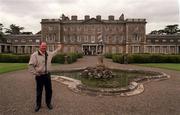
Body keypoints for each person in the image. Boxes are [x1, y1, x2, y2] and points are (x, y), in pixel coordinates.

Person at [28, 41, 63, 112]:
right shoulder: (35, 55)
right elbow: (30, 66)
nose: (44, 47)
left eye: (45, 46)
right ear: (39, 46)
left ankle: (48, 103)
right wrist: (35, 73)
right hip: (39, 75)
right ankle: (38, 105)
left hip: (47, 75)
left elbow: (54, 52)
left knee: (49, 90)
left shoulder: (48, 53)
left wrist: (59, 48)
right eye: (42, 46)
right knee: (39, 91)